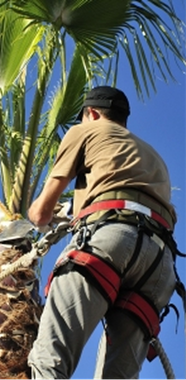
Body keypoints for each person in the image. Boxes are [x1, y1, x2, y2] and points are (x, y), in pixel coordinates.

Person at [27, 86, 179, 379]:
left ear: (91, 113)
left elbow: (40, 214)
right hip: (159, 265)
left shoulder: (85, 131)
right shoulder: (152, 156)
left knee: (50, 363)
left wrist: (40, 219)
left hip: (108, 242)